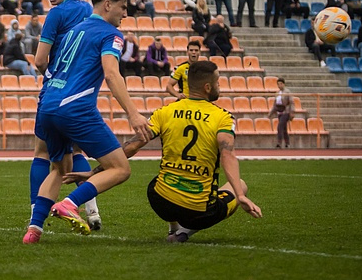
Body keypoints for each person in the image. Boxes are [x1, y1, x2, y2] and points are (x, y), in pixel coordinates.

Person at [65, 60, 261, 243]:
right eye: (217, 82)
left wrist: (95, 171)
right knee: (240, 185)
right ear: (207, 87)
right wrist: (240, 196)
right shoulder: (223, 118)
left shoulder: (165, 112)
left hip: (161, 201)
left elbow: (132, 146)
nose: (219, 85)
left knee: (160, 181)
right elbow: (227, 154)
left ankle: (172, 228)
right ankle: (184, 233)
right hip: (199, 211)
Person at [23, 0, 151, 244]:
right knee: (120, 168)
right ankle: (70, 204)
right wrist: (133, 113)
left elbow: (48, 65)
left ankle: (33, 231)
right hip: (76, 107)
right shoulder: (111, 34)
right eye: (123, 7)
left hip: (48, 105)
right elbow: (112, 74)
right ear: (108, 5)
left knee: (59, 169)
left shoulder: (74, 31)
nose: (125, 13)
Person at [31, 0, 103, 231]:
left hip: (57, 89)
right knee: (77, 149)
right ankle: (92, 211)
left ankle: (35, 214)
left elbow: (40, 60)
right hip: (82, 89)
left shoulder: (56, 13)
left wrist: (51, 77)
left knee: (42, 151)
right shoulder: (89, 10)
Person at [268, 77, 293, 148]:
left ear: (284, 84)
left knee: (280, 126)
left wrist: (292, 112)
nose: (279, 85)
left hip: (285, 111)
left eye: (281, 84)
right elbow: (275, 104)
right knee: (284, 129)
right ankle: (287, 143)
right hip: (279, 112)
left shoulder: (287, 92)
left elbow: (291, 102)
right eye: (278, 84)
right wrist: (270, 113)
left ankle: (279, 142)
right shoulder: (277, 93)